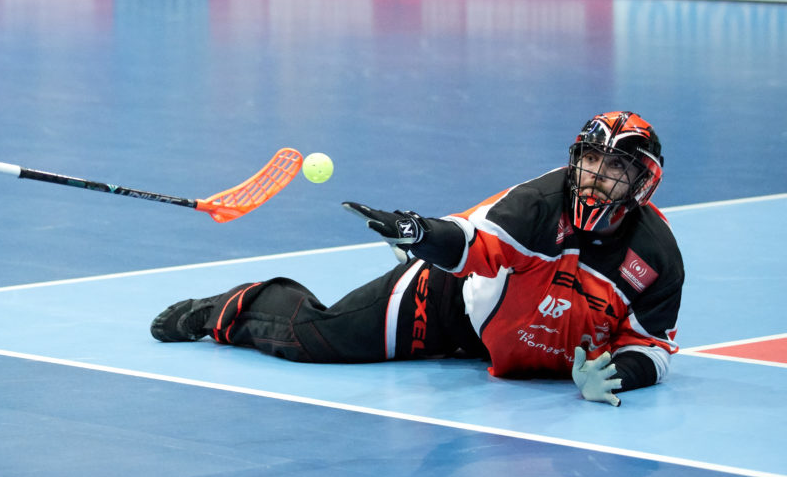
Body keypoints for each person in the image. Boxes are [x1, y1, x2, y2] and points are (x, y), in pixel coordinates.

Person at [151, 112, 682, 410]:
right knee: (316, 337)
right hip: (456, 302)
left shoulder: (656, 256)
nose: (595, 176)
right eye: (590, 160)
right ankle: (223, 310)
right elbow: (473, 243)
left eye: (614, 167)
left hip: (528, 347)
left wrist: (617, 376)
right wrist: (417, 233)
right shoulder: (540, 206)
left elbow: (651, 347)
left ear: (642, 183)